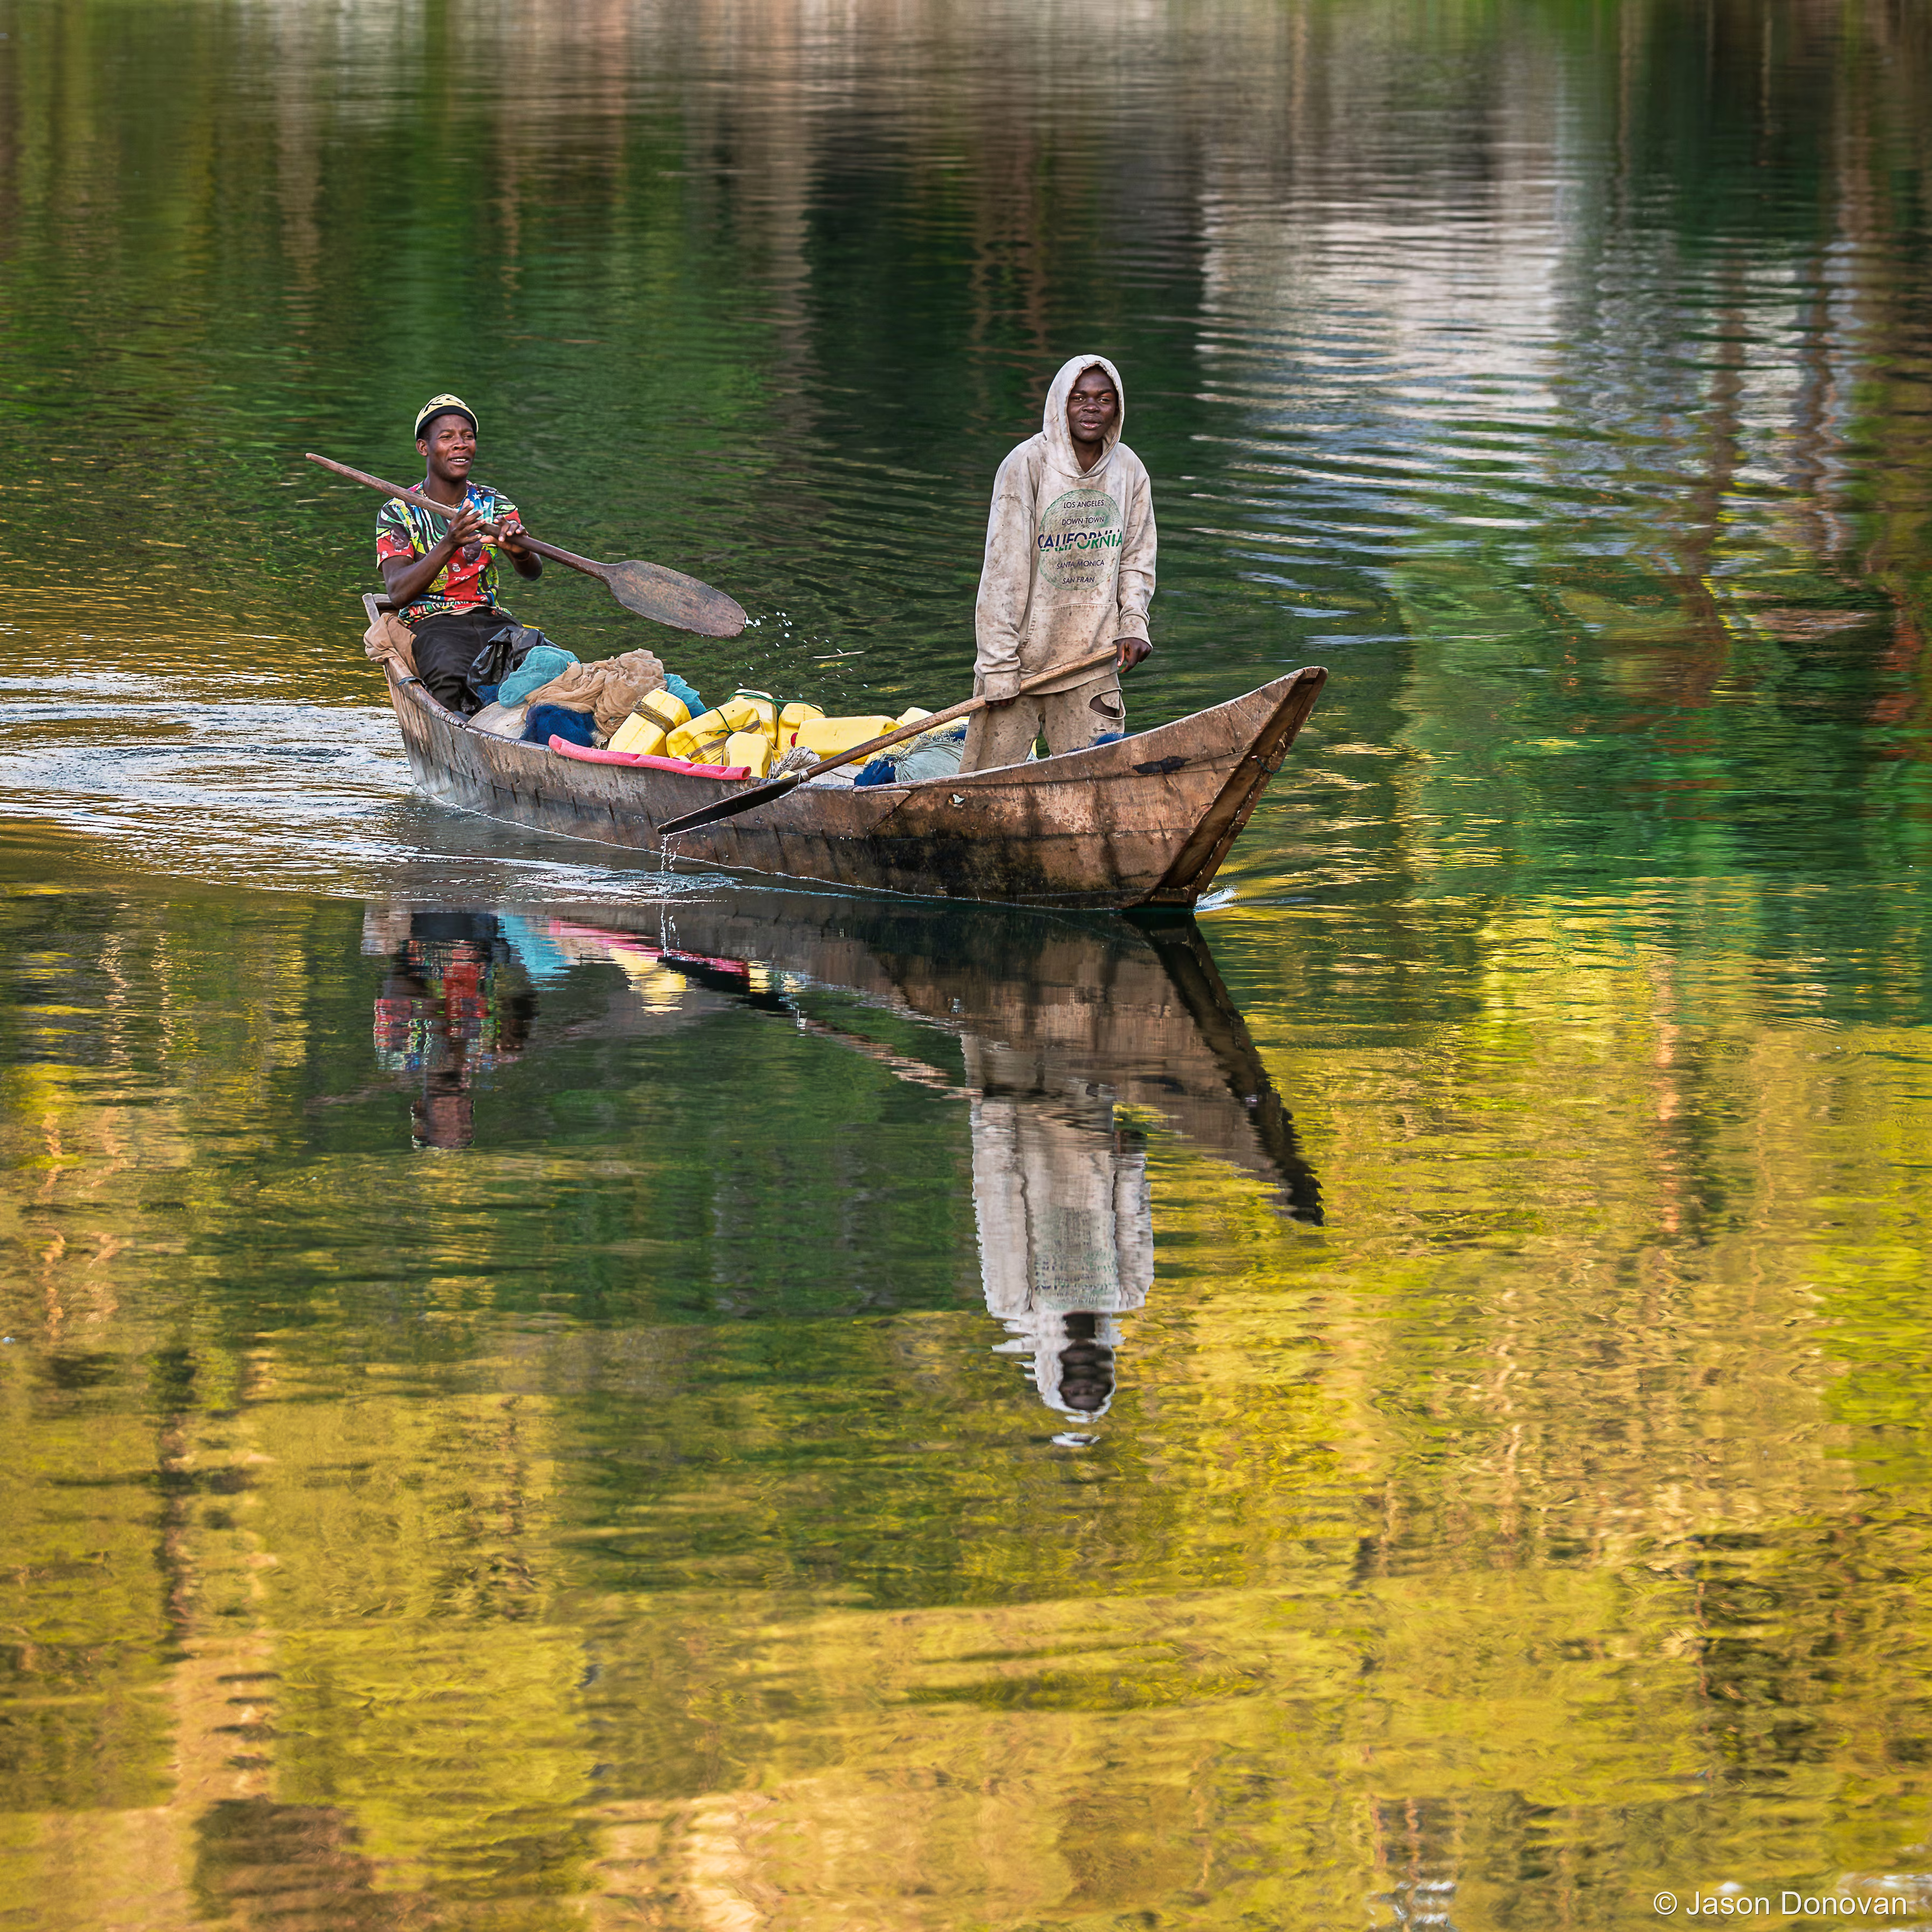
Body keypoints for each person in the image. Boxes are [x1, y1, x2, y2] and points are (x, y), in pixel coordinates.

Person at [961, 353, 1156, 773]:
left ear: (1117, 409)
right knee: (983, 794)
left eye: (1104, 399)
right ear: (1060, 405)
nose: (1091, 407)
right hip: (1021, 669)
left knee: (1099, 789)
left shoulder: (1130, 470)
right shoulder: (1026, 465)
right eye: (1080, 398)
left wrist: (1133, 624)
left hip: (1090, 664)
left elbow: (1137, 558)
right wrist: (998, 667)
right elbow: (1002, 574)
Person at [375, 394, 543, 715]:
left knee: (548, 667)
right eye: (447, 437)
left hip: (490, 618)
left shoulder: (495, 505)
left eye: (468, 437)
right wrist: (449, 542)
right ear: (424, 448)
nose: (461, 444)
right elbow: (397, 593)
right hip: (432, 623)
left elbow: (532, 571)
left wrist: (519, 553)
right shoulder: (398, 512)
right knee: (451, 683)